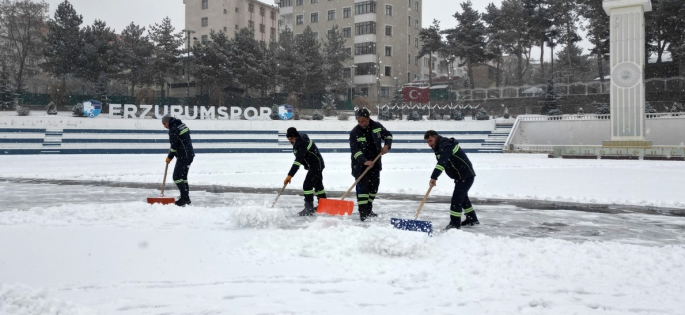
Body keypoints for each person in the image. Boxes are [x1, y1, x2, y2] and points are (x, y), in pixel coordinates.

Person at [425, 130, 479, 230]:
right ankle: (472, 218)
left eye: (430, 141)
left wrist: (434, 177)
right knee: (463, 198)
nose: (429, 144)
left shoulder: (446, 145)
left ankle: (454, 224)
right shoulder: (439, 146)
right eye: (427, 142)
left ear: (436, 137)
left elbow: (442, 162)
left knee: (456, 200)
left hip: (466, 175)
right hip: (460, 176)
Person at [349, 108, 393, 221]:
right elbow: (355, 150)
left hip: (375, 163)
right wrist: (364, 161)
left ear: (368, 118)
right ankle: (363, 212)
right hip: (360, 166)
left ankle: (368, 209)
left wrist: (387, 145)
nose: (361, 123)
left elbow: (388, 135)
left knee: (373, 188)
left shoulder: (377, 126)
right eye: (359, 121)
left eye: (363, 121)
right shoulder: (355, 132)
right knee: (363, 189)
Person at [283, 127, 327, 216]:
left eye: (291, 138)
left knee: (307, 185)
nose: (290, 141)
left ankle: (309, 208)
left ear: (296, 136)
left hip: (316, 165)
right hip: (315, 164)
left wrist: (290, 175)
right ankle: (324, 205)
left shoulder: (302, 143)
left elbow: (297, 161)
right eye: (288, 139)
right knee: (318, 185)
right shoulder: (299, 140)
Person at [162, 114, 195, 207]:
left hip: (183, 156)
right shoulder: (181, 125)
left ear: (168, 122)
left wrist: (169, 157)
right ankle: (186, 197)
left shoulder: (173, 130)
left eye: (165, 123)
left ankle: (185, 198)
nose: (164, 126)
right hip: (190, 154)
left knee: (176, 177)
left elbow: (174, 148)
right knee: (183, 177)